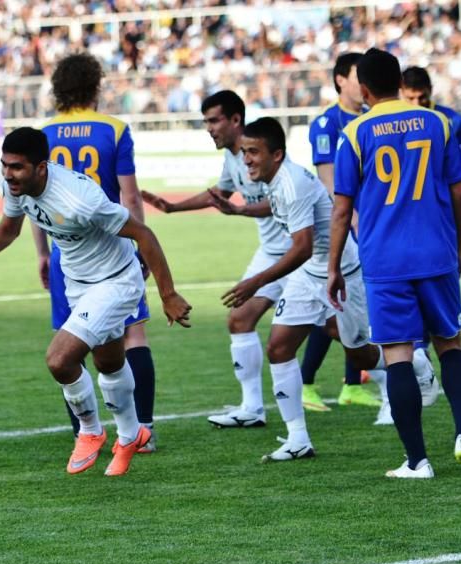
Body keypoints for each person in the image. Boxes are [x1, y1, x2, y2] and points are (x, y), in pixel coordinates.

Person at [0, 127, 191, 476]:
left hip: (116, 280)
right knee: (108, 362)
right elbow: (8, 229)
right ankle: (130, 434)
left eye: (16, 167)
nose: (7, 174)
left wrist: (168, 294)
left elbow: (143, 233)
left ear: (41, 167)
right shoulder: (16, 187)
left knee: (59, 359)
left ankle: (90, 431)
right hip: (79, 283)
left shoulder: (79, 198)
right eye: (4, 165)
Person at [211, 117, 434, 462]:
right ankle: (298, 439)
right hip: (310, 273)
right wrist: (241, 211)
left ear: (277, 154)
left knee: (357, 352)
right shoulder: (276, 179)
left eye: (254, 152)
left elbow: (301, 246)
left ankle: (415, 360)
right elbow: (277, 208)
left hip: (341, 273)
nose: (247, 159)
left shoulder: (293, 182)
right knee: (279, 347)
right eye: (244, 152)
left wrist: (256, 282)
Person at [330, 48, 461, 478]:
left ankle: (418, 460)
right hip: (435, 252)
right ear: (401, 81)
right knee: (450, 344)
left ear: (363, 89)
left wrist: (332, 269)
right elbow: (459, 190)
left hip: (385, 261)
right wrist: (456, 244)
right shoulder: (438, 122)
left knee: (398, 355)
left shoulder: (356, 132)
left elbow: (341, 209)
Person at [142, 91, 292, 430]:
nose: (209, 128)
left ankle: (400, 374)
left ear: (235, 120)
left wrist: (239, 211)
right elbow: (219, 195)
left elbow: (284, 200)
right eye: (205, 122)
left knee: (343, 334)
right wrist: (172, 207)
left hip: (301, 252)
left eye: (214, 120)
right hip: (271, 252)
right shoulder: (232, 159)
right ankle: (252, 408)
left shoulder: (265, 155)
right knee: (239, 320)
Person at [36, 52, 157, 451]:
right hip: (114, 248)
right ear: (95, 85)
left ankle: (84, 433)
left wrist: (42, 254)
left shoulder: (45, 133)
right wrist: (142, 248)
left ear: (57, 89)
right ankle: (143, 430)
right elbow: (130, 195)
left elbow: (36, 205)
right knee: (132, 335)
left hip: (65, 252)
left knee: (71, 338)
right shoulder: (114, 129)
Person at [301, 53, 382, 412]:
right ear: (340, 80)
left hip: (371, 224)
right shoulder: (326, 124)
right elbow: (329, 184)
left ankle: (352, 383)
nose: (362, 82)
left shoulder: (370, 120)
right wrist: (355, 224)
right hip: (344, 228)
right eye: (356, 75)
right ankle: (306, 384)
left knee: (355, 311)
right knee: (334, 310)